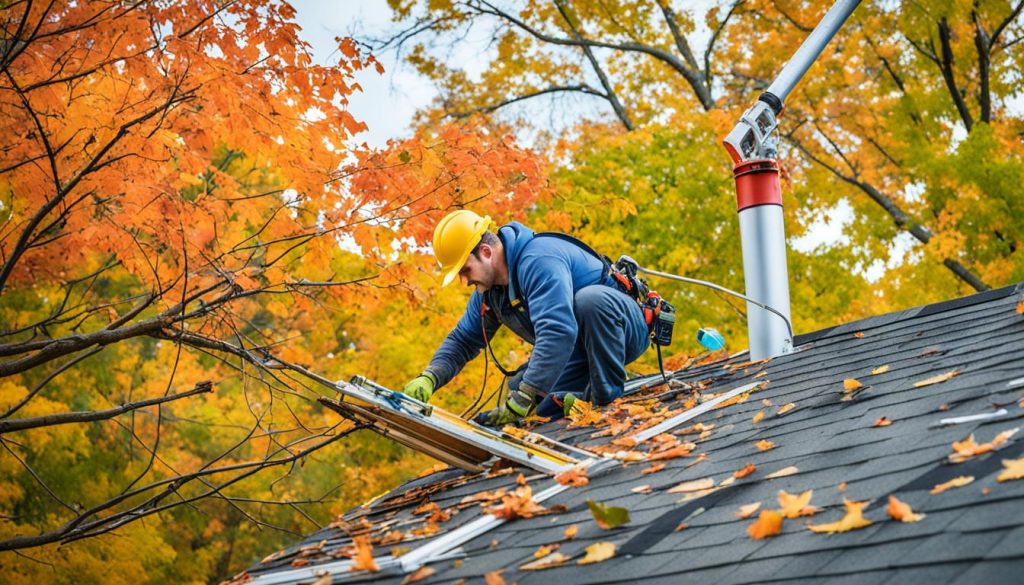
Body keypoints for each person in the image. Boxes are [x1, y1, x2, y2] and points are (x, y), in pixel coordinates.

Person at [401, 209, 651, 426]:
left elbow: (557, 331)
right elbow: (464, 339)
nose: (465, 281)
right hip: (577, 352)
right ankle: (583, 396)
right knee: (534, 402)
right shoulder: (490, 293)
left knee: (588, 302)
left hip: (621, 331)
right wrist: (430, 377)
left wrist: (527, 395)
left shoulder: (538, 260)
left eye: (465, 270)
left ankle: (605, 396)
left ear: (486, 252)